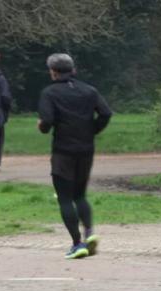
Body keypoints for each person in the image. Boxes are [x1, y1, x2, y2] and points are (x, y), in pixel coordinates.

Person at [37, 53, 112, 259]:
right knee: (80, 195)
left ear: (52, 71)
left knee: (65, 198)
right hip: (86, 149)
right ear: (73, 70)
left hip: (63, 151)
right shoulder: (90, 90)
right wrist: (92, 130)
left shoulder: (49, 93)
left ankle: (77, 244)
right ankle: (89, 233)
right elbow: (106, 113)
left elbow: (47, 121)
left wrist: (42, 127)